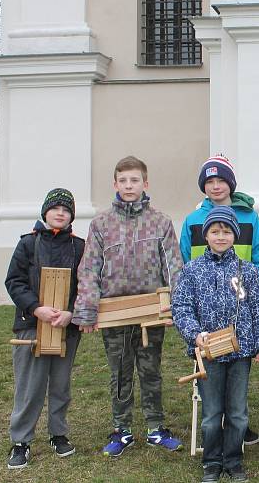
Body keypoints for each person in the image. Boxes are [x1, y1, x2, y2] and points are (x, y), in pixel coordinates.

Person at [72, 156, 184, 457]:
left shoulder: (160, 222)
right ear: (115, 184)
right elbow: (89, 269)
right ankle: (121, 429)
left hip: (151, 311)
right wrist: (87, 309)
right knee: (120, 372)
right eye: (123, 181)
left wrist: (175, 306)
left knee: (150, 371)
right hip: (114, 312)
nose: (129, 185)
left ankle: (155, 427)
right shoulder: (100, 225)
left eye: (134, 180)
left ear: (145, 184)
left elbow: (173, 265)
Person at [172, 206, 259, 483]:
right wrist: (195, 334)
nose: (221, 236)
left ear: (235, 236)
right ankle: (212, 462)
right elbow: (181, 307)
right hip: (208, 353)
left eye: (226, 231)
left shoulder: (247, 270)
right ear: (206, 235)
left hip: (240, 351)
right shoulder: (192, 271)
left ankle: (233, 460)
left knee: (238, 412)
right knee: (212, 412)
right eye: (215, 231)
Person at [180, 153, 259, 446]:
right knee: (213, 385)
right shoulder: (193, 220)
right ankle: (214, 432)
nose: (216, 186)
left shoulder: (249, 217)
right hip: (205, 311)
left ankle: (236, 429)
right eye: (210, 181)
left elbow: (258, 257)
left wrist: (257, 299)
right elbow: (184, 260)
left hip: (240, 305)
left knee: (237, 385)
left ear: (230, 183)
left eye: (221, 181)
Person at [4, 189, 86, 469]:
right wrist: (36, 308)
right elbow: (14, 281)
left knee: (61, 385)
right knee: (30, 386)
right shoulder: (28, 244)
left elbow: (85, 285)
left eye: (66, 209)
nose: (60, 213)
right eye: (55, 208)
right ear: (45, 212)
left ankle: (58, 434)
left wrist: (71, 313)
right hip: (31, 326)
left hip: (66, 327)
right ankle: (21, 440)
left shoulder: (79, 247)